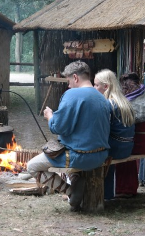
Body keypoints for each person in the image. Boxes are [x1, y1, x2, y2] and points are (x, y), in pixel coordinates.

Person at [27, 61, 111, 211]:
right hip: (100, 156)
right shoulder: (102, 98)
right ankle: (76, 180)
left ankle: (70, 192)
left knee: (32, 166)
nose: (69, 85)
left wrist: (50, 116)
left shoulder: (72, 94)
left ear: (75, 77)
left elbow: (58, 127)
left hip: (78, 156)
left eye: (69, 81)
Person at [94, 69, 135, 200]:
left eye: (96, 85)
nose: (94, 88)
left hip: (115, 149)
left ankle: (104, 194)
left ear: (106, 86)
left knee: (93, 151)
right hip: (127, 147)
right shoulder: (125, 101)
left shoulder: (108, 104)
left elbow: (102, 131)